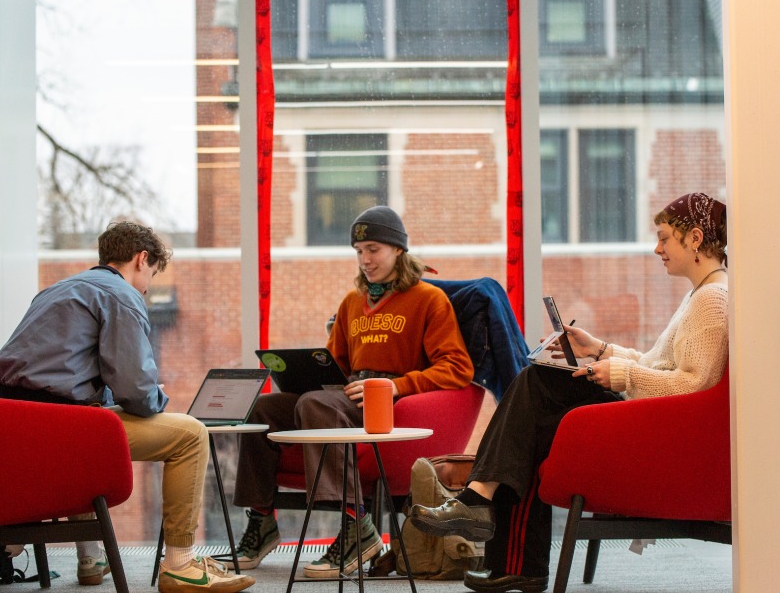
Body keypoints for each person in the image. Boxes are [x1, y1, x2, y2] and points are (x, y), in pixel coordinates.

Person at [409, 193, 730, 593]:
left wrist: (621, 374)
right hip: (653, 423)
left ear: (695, 238)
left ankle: (479, 503)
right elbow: (658, 364)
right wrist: (596, 349)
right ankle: (508, 552)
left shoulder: (711, 302)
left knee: (537, 384)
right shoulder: (700, 296)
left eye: (665, 238)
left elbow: (693, 386)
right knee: (537, 409)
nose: (657, 248)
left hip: (662, 437)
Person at [0, 221, 254, 593]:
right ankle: (180, 565)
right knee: (190, 434)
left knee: (92, 413)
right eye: (152, 275)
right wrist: (156, 396)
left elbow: (66, 378)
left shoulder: (55, 291)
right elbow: (136, 392)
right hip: (61, 427)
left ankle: (90, 559)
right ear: (142, 259)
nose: (148, 286)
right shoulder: (121, 295)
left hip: (14, 424)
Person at [223, 205, 475, 578]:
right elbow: (336, 364)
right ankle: (261, 522)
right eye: (359, 252)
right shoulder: (352, 304)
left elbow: (458, 368)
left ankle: (357, 526)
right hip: (349, 395)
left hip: (392, 403)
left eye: (373, 249)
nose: (365, 260)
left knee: (314, 405)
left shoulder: (428, 300)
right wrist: (307, 371)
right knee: (264, 409)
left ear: (398, 250)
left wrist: (396, 385)